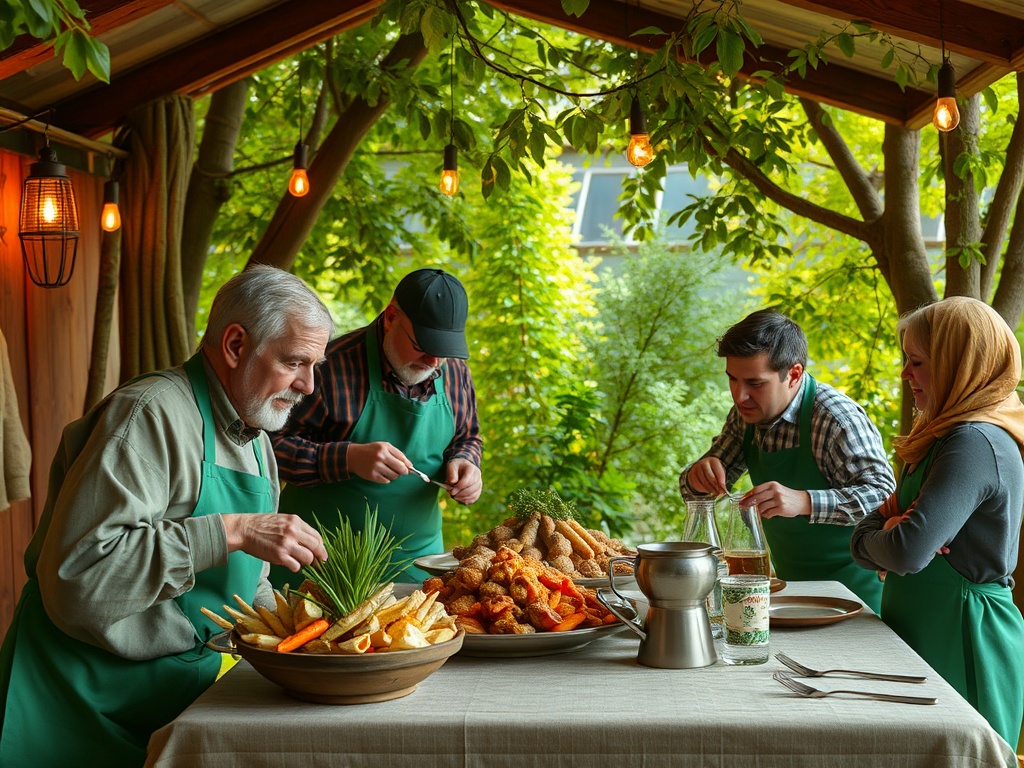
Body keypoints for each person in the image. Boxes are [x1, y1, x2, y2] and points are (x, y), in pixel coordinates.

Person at [0, 265, 334, 767]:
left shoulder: (256, 442)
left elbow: (251, 583)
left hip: (172, 694)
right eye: (295, 362)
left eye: (315, 365)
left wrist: (303, 636)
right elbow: (79, 581)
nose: (308, 385)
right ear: (236, 345)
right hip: (75, 699)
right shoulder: (148, 414)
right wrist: (234, 530)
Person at [851, 297, 1024, 750]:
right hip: (927, 626)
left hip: (964, 634)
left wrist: (889, 538)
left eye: (917, 361)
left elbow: (907, 550)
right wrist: (882, 537)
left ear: (956, 363)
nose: (904, 374)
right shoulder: (941, 436)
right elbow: (867, 533)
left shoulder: (973, 442)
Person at [271, 267, 482, 586]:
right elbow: (268, 448)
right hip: (320, 561)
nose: (433, 362)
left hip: (417, 563)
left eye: (443, 351)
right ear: (392, 317)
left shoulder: (455, 372)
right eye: (422, 346)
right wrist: (347, 458)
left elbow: (467, 437)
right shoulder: (328, 366)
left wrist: (466, 462)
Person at [680, 309, 896, 612]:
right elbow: (694, 493)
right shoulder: (746, 415)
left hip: (857, 597)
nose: (740, 396)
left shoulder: (836, 419)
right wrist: (698, 477)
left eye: (755, 383)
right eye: (732, 379)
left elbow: (883, 494)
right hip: (790, 594)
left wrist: (804, 501)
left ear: (793, 374)